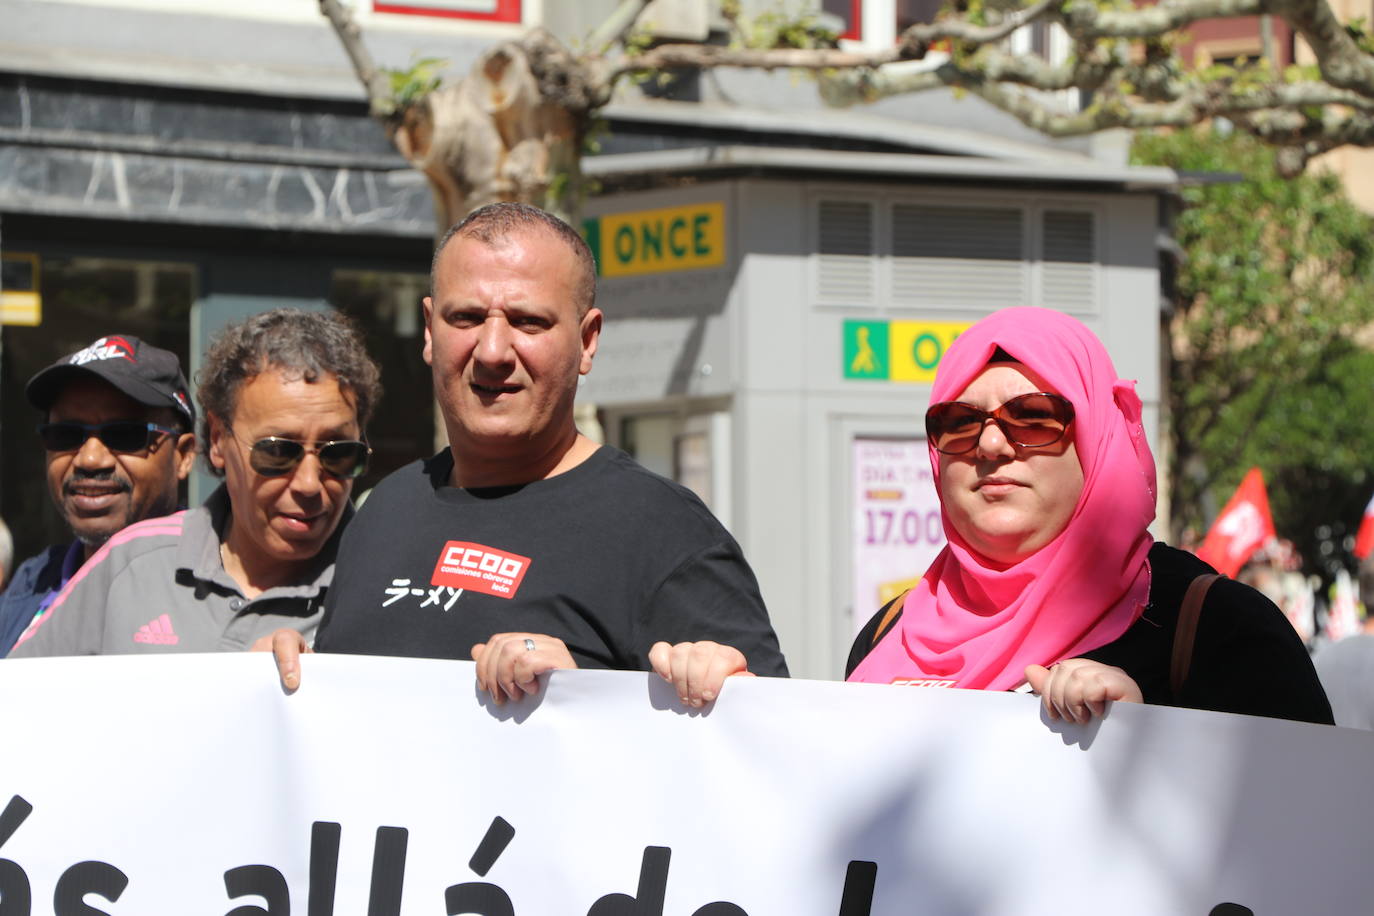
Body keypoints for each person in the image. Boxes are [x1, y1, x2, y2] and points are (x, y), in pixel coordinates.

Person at [267, 202, 787, 704]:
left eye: (528, 322)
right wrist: (301, 679)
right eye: (467, 317)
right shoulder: (383, 510)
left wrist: (585, 696)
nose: (493, 351)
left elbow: (766, 753)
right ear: (430, 331)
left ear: (587, 341)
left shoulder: (665, 533)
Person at [845, 307, 1332, 725]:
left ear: (1096, 438)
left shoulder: (1217, 629)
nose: (990, 445)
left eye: (1034, 417)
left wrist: (1145, 737)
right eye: (959, 423)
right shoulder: (889, 633)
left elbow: (1310, 820)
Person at [9, 309, 380, 657]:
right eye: (278, 452)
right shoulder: (130, 563)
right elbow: (18, 707)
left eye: (338, 454)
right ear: (218, 441)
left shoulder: (385, 587)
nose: (309, 484)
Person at [0, 336, 197, 655]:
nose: (90, 460)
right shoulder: (32, 582)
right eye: (66, 435)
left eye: (125, 435)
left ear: (184, 455)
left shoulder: (217, 585)